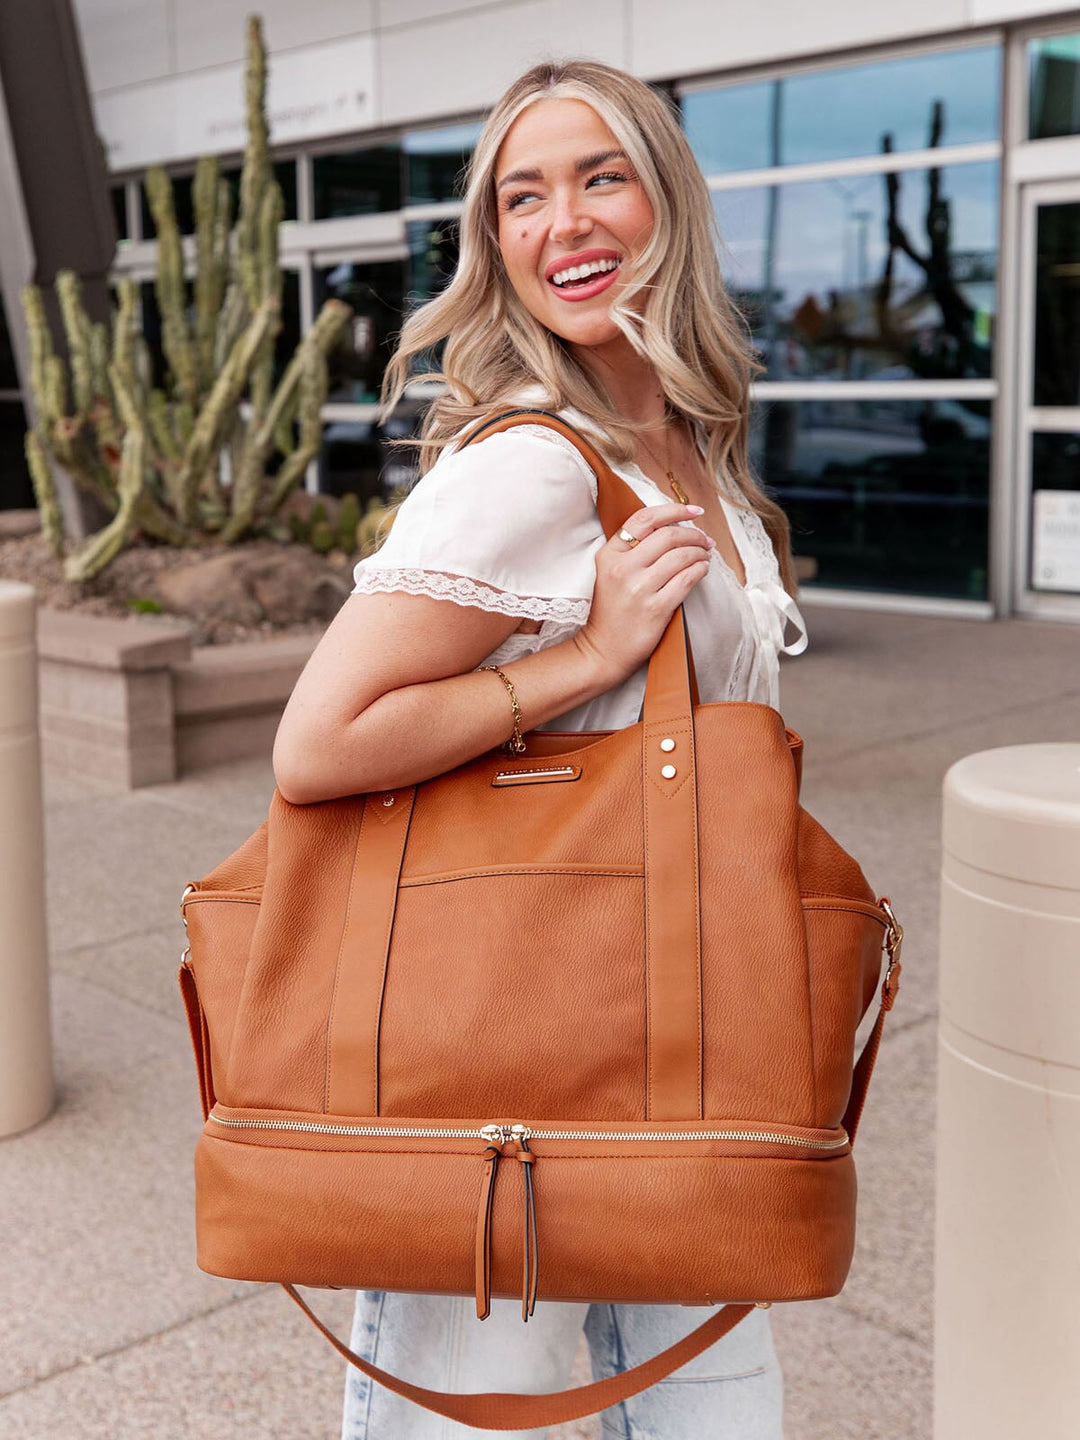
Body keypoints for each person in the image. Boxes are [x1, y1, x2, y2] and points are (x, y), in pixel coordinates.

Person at [273, 56, 807, 1440]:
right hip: (510, 1048)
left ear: (666, 205)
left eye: (600, 177)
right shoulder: (531, 463)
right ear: (497, 246)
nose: (562, 220)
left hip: (670, 1029)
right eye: (523, 196)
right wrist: (583, 656)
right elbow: (319, 742)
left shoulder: (692, 448)